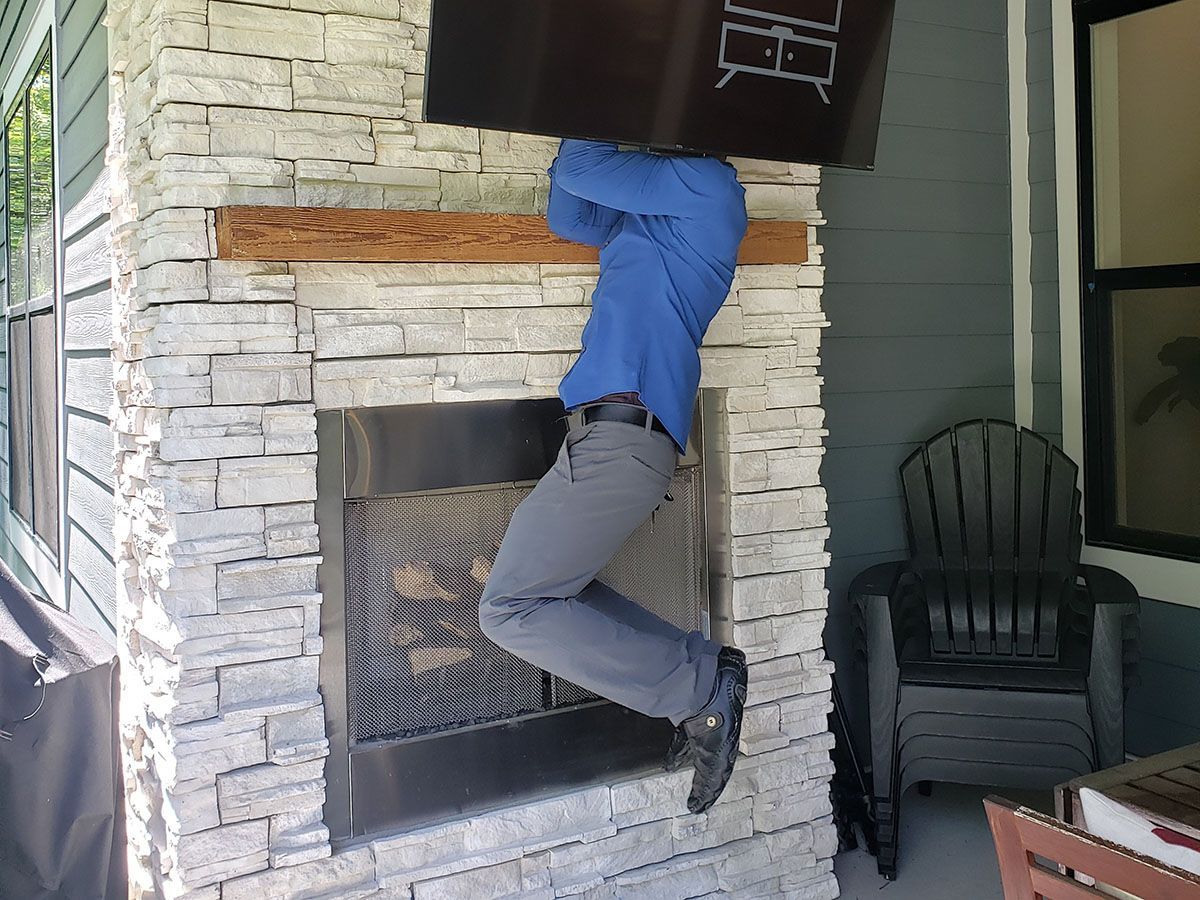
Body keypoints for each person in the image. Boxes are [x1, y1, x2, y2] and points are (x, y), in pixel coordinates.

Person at [479, 138, 749, 813]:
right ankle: (701, 676)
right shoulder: (645, 213)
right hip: (607, 440)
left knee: (510, 607)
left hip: (624, 440)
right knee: (541, 596)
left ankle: (700, 693)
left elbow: (578, 167)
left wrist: (593, 96)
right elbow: (569, 214)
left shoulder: (710, 189)